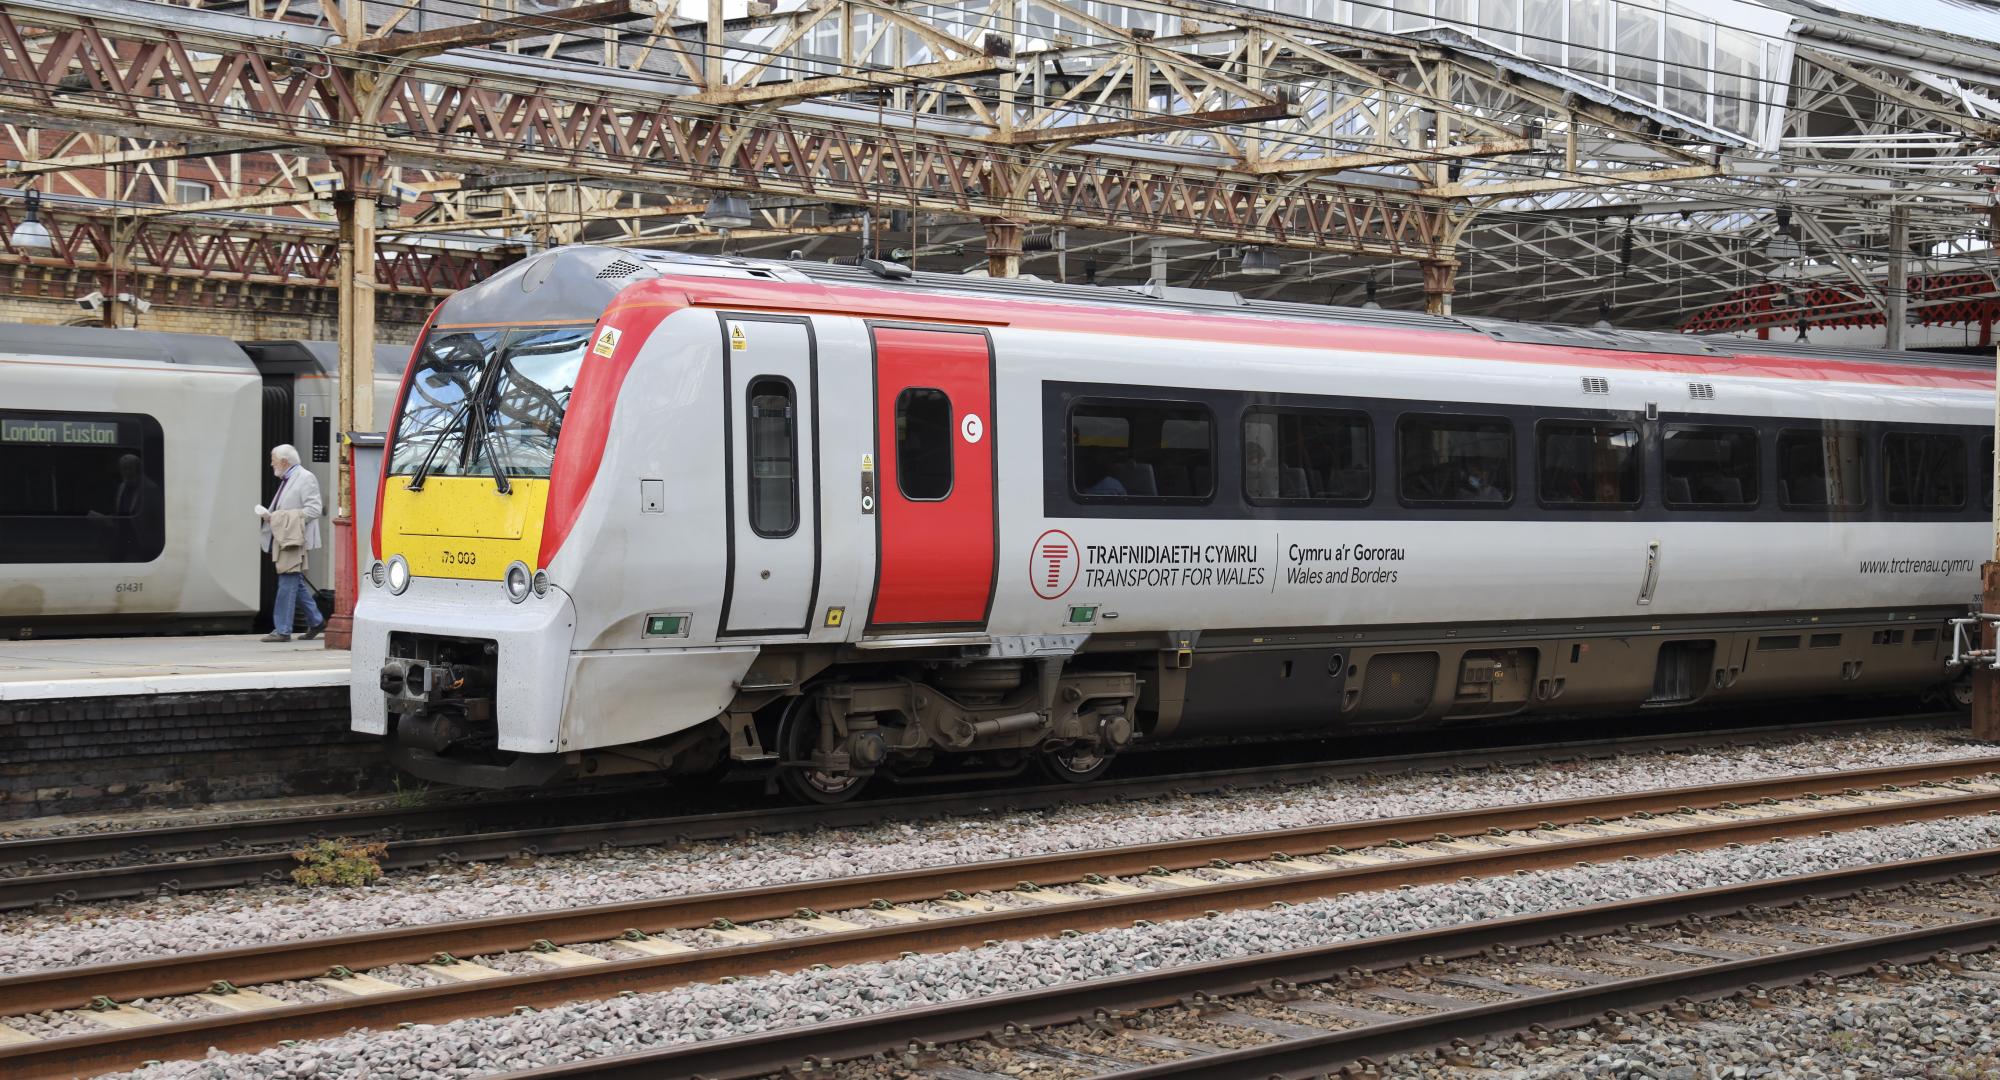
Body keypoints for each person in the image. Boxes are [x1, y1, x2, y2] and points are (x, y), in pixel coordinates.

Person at [258, 444, 324, 642]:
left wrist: (279, 518)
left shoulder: (305, 478)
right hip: (287, 537)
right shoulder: (289, 478)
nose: (271, 464)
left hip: (295, 539)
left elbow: (314, 510)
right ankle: (316, 621)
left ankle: (283, 630)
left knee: (287, 581)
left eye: (274, 460)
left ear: (285, 462)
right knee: (295, 581)